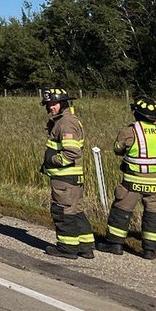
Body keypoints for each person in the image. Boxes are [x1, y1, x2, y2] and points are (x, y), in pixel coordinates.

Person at [95, 96, 156, 260]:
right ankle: (150, 250)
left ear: (136, 113)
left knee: (121, 211)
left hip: (133, 182)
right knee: (153, 216)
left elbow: (117, 149)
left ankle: (115, 244)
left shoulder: (130, 130)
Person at [40, 89, 95, 259]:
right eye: (48, 104)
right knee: (75, 211)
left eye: (54, 104)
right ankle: (85, 246)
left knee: (62, 211)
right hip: (72, 179)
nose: (51, 108)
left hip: (65, 178)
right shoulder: (64, 121)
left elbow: (71, 153)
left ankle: (67, 248)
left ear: (63, 103)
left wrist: (52, 161)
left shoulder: (66, 123)